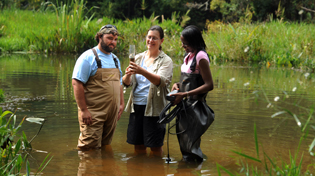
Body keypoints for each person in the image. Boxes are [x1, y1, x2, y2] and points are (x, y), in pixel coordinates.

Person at [72, 24, 124, 150]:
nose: (113, 42)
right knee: (88, 149)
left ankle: (104, 170)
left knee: (105, 146)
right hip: (93, 113)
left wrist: (121, 104)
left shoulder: (115, 59)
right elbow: (76, 83)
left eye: (115, 39)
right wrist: (84, 110)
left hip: (112, 113)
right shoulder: (88, 57)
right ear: (100, 37)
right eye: (110, 38)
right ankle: (87, 169)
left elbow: (120, 83)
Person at [123, 25, 173, 156]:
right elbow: (126, 83)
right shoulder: (138, 58)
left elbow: (161, 81)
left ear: (161, 41)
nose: (151, 40)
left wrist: (141, 71)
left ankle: (155, 170)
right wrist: (128, 74)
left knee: (155, 147)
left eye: (155, 38)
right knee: (138, 145)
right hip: (137, 106)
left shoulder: (166, 60)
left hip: (155, 109)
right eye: (149, 37)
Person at [170, 25, 215, 162]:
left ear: (194, 41)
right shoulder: (188, 55)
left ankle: (194, 167)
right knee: (185, 143)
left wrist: (185, 94)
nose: (183, 46)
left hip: (195, 107)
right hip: (184, 107)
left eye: (185, 43)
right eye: (182, 43)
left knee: (190, 145)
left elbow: (209, 85)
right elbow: (186, 79)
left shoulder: (201, 56)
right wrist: (178, 86)